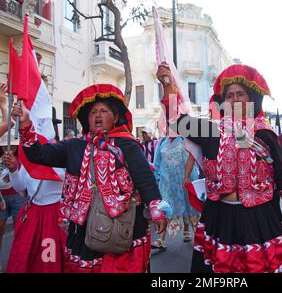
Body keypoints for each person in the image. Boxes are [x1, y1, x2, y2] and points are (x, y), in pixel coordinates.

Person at [157, 62, 282, 273]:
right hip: (219, 217)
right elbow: (176, 120)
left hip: (257, 217)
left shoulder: (264, 133)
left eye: (239, 94)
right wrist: (167, 83)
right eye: (229, 95)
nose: (234, 99)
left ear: (251, 98)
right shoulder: (211, 131)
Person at [12, 84, 168, 273]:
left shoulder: (127, 145)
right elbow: (38, 154)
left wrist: (156, 210)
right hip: (84, 227)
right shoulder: (74, 146)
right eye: (93, 112)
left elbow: (145, 180)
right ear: (87, 119)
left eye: (104, 111)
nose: (98, 115)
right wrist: (26, 125)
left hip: (123, 224)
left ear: (116, 117)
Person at [3, 134, 66, 273]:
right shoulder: (28, 161)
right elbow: (20, 187)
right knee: (27, 254)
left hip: (55, 215)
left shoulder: (60, 160)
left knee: (50, 258)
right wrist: (14, 170)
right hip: (32, 214)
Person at [152, 135, 199, 250]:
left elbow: (193, 158)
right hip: (168, 183)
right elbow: (157, 162)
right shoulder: (162, 142)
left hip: (185, 179)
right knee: (166, 207)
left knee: (188, 205)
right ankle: (161, 239)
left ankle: (189, 232)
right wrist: (155, 178)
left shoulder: (186, 140)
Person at [0, 137, 26, 273]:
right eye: (5, 145)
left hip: (18, 197)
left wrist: (14, 173)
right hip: (1, 196)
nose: (9, 148)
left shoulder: (22, 156)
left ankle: (17, 262)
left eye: (13, 145)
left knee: (20, 231)